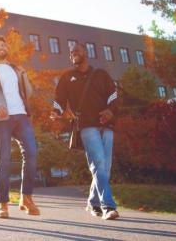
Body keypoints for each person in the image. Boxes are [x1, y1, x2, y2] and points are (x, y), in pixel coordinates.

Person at [52, 43, 120, 221]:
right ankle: (108, 206)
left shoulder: (101, 74)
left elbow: (114, 96)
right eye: (71, 52)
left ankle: (93, 202)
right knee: (98, 163)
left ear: (86, 53)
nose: (74, 53)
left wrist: (110, 111)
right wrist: (56, 111)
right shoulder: (67, 77)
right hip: (86, 125)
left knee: (105, 167)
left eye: (77, 50)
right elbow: (59, 98)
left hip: (107, 126)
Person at [0, 35, 40, 219]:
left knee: (31, 153)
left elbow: (27, 93)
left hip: (21, 116)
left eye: (3, 45)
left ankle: (26, 198)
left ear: (7, 48)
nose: (0, 47)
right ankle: (2, 203)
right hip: (0, 118)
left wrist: (24, 75)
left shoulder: (15, 69)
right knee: (3, 160)